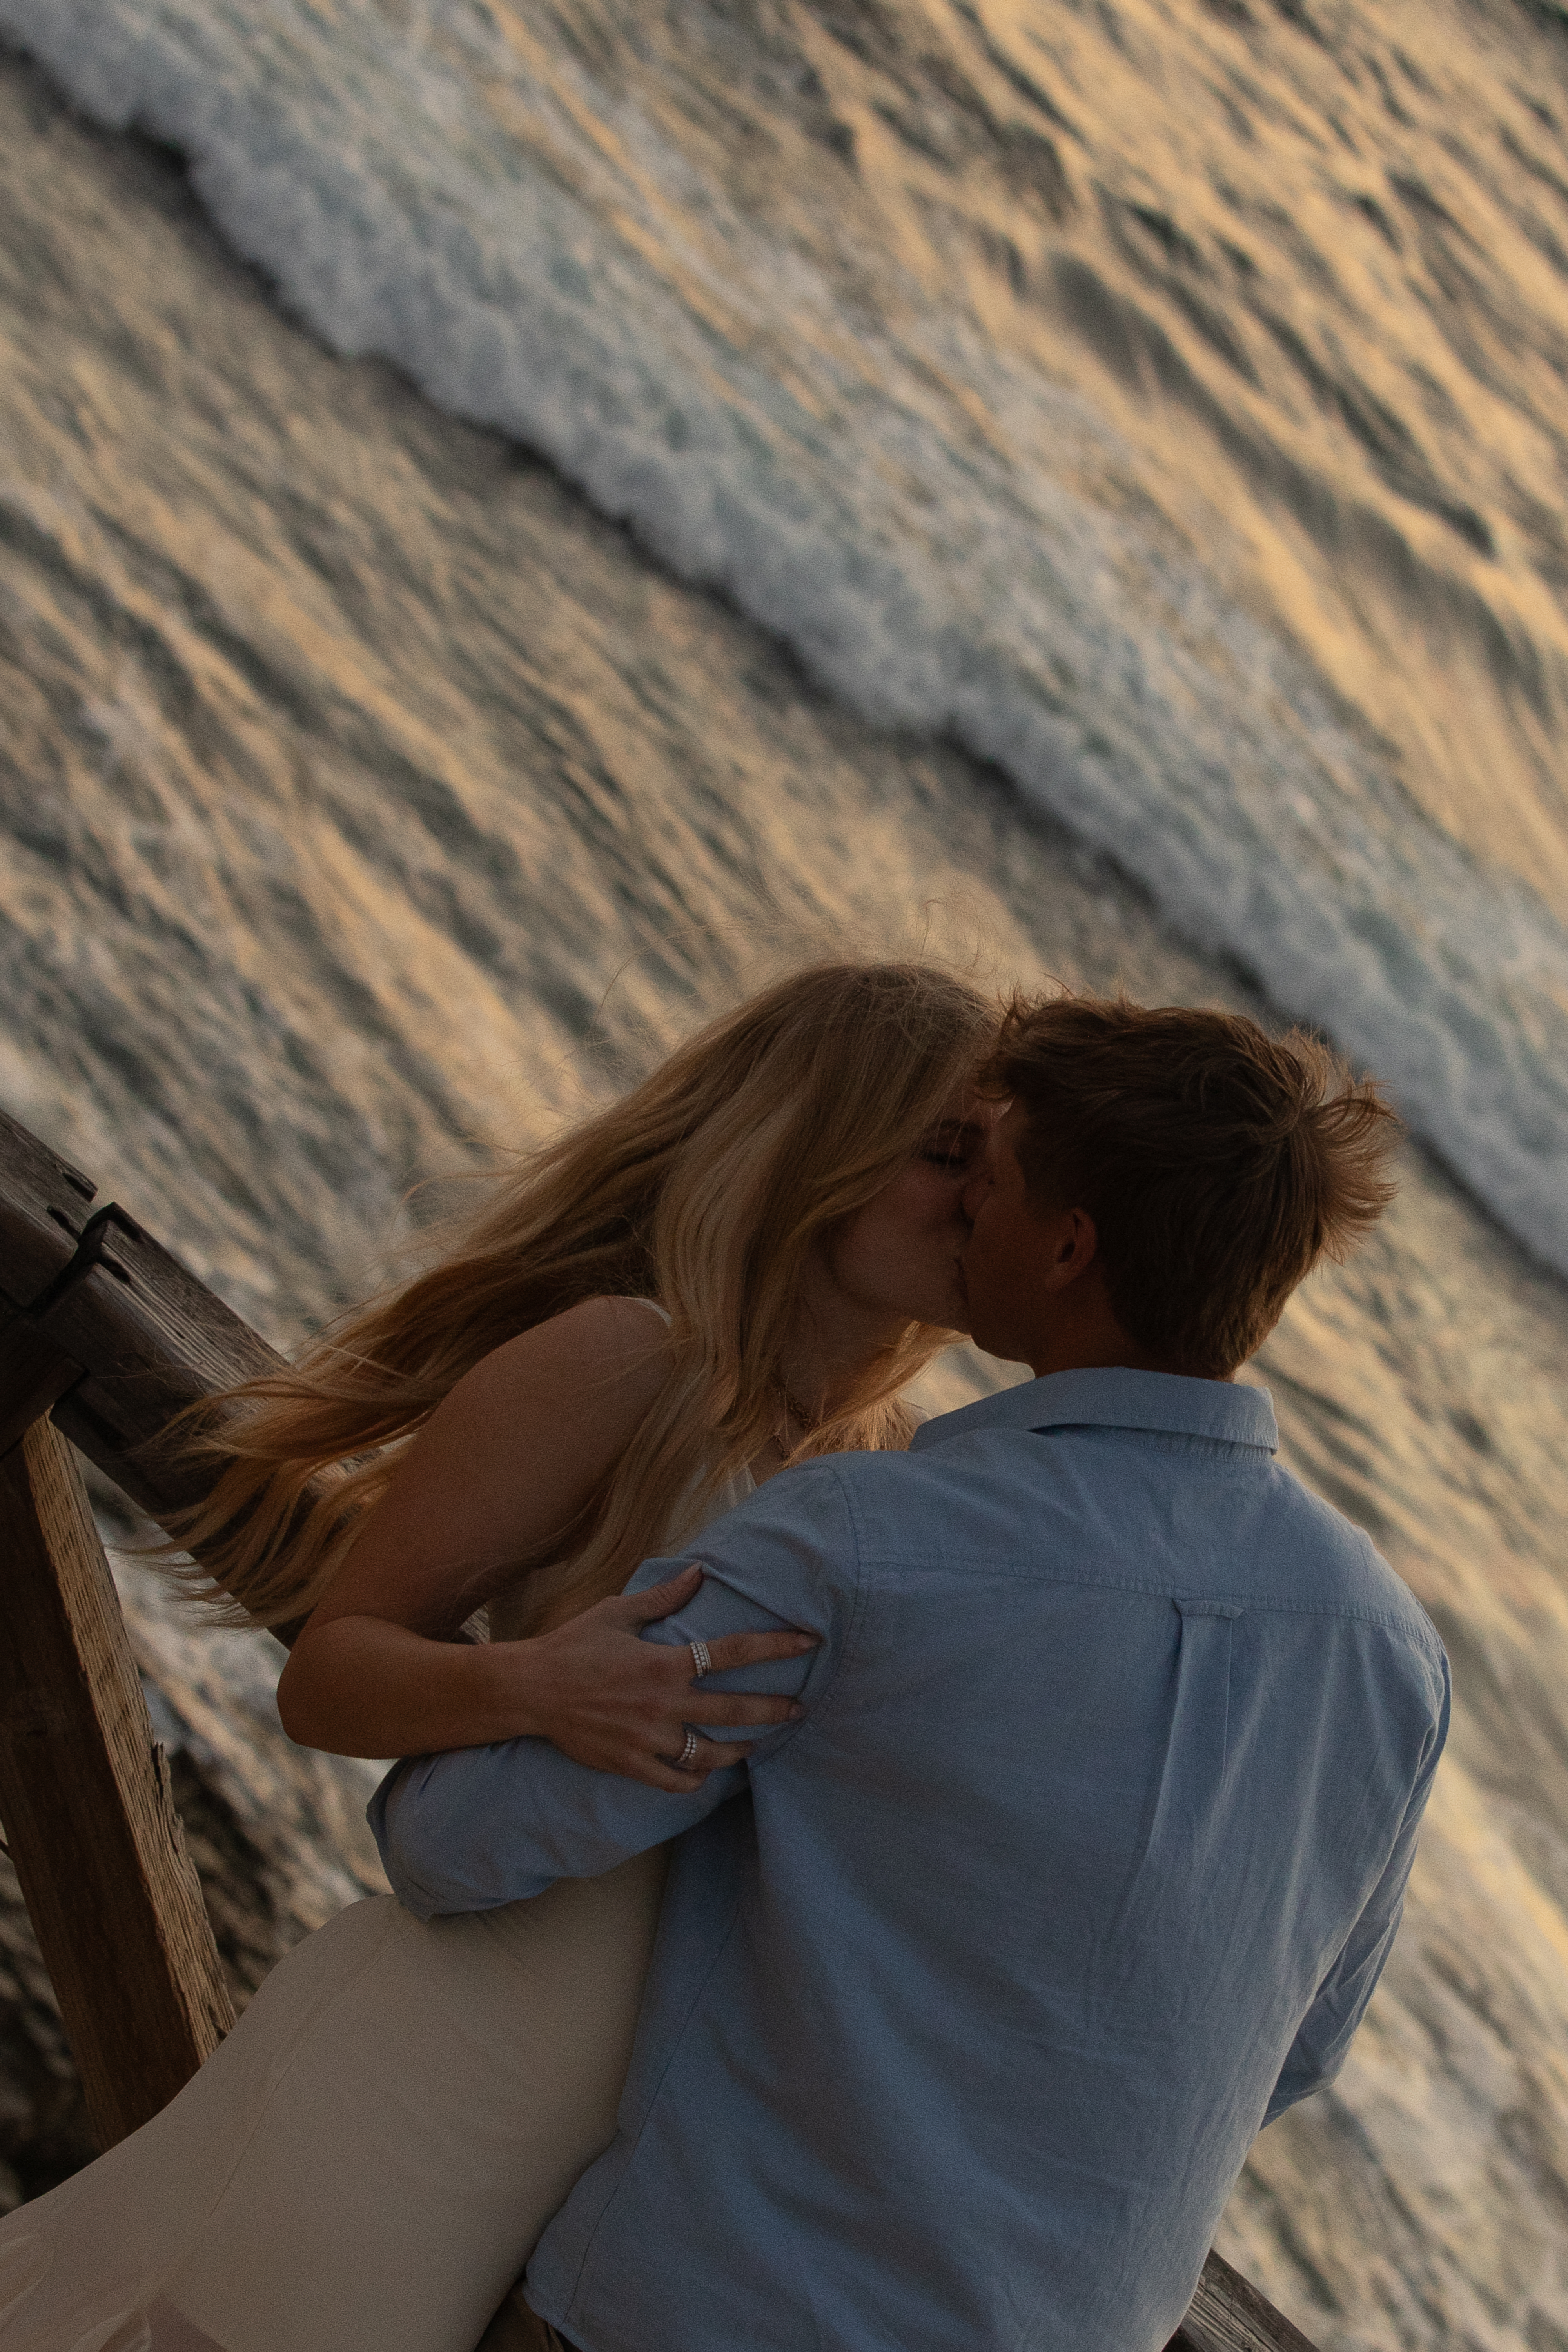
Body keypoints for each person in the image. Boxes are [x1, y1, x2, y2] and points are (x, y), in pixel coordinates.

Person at [373, 991, 1449, 2352]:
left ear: (1066, 1247)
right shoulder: (1390, 1659)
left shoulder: (868, 1544)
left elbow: (458, 1847)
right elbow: (1292, 2055)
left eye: (987, 1182)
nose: (964, 1215)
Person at [0, 959, 1000, 2352]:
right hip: (403, 2111)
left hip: (564, 2214)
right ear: (812, 1144)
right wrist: (529, 1686)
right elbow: (331, 1671)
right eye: (945, 1151)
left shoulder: (887, 1489)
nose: (981, 1202)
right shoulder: (628, 1364)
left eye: (1001, 1168)